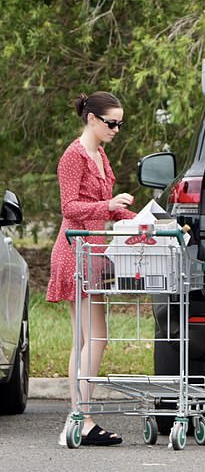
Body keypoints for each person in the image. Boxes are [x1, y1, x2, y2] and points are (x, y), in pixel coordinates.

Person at [47, 91, 136, 446]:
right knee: (92, 338)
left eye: (120, 123)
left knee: (89, 338)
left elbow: (108, 209)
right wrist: (108, 204)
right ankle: (80, 417)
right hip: (74, 251)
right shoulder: (74, 156)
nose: (116, 129)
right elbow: (70, 207)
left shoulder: (100, 155)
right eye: (111, 123)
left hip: (93, 253)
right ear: (92, 119)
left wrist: (141, 219)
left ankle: (80, 416)